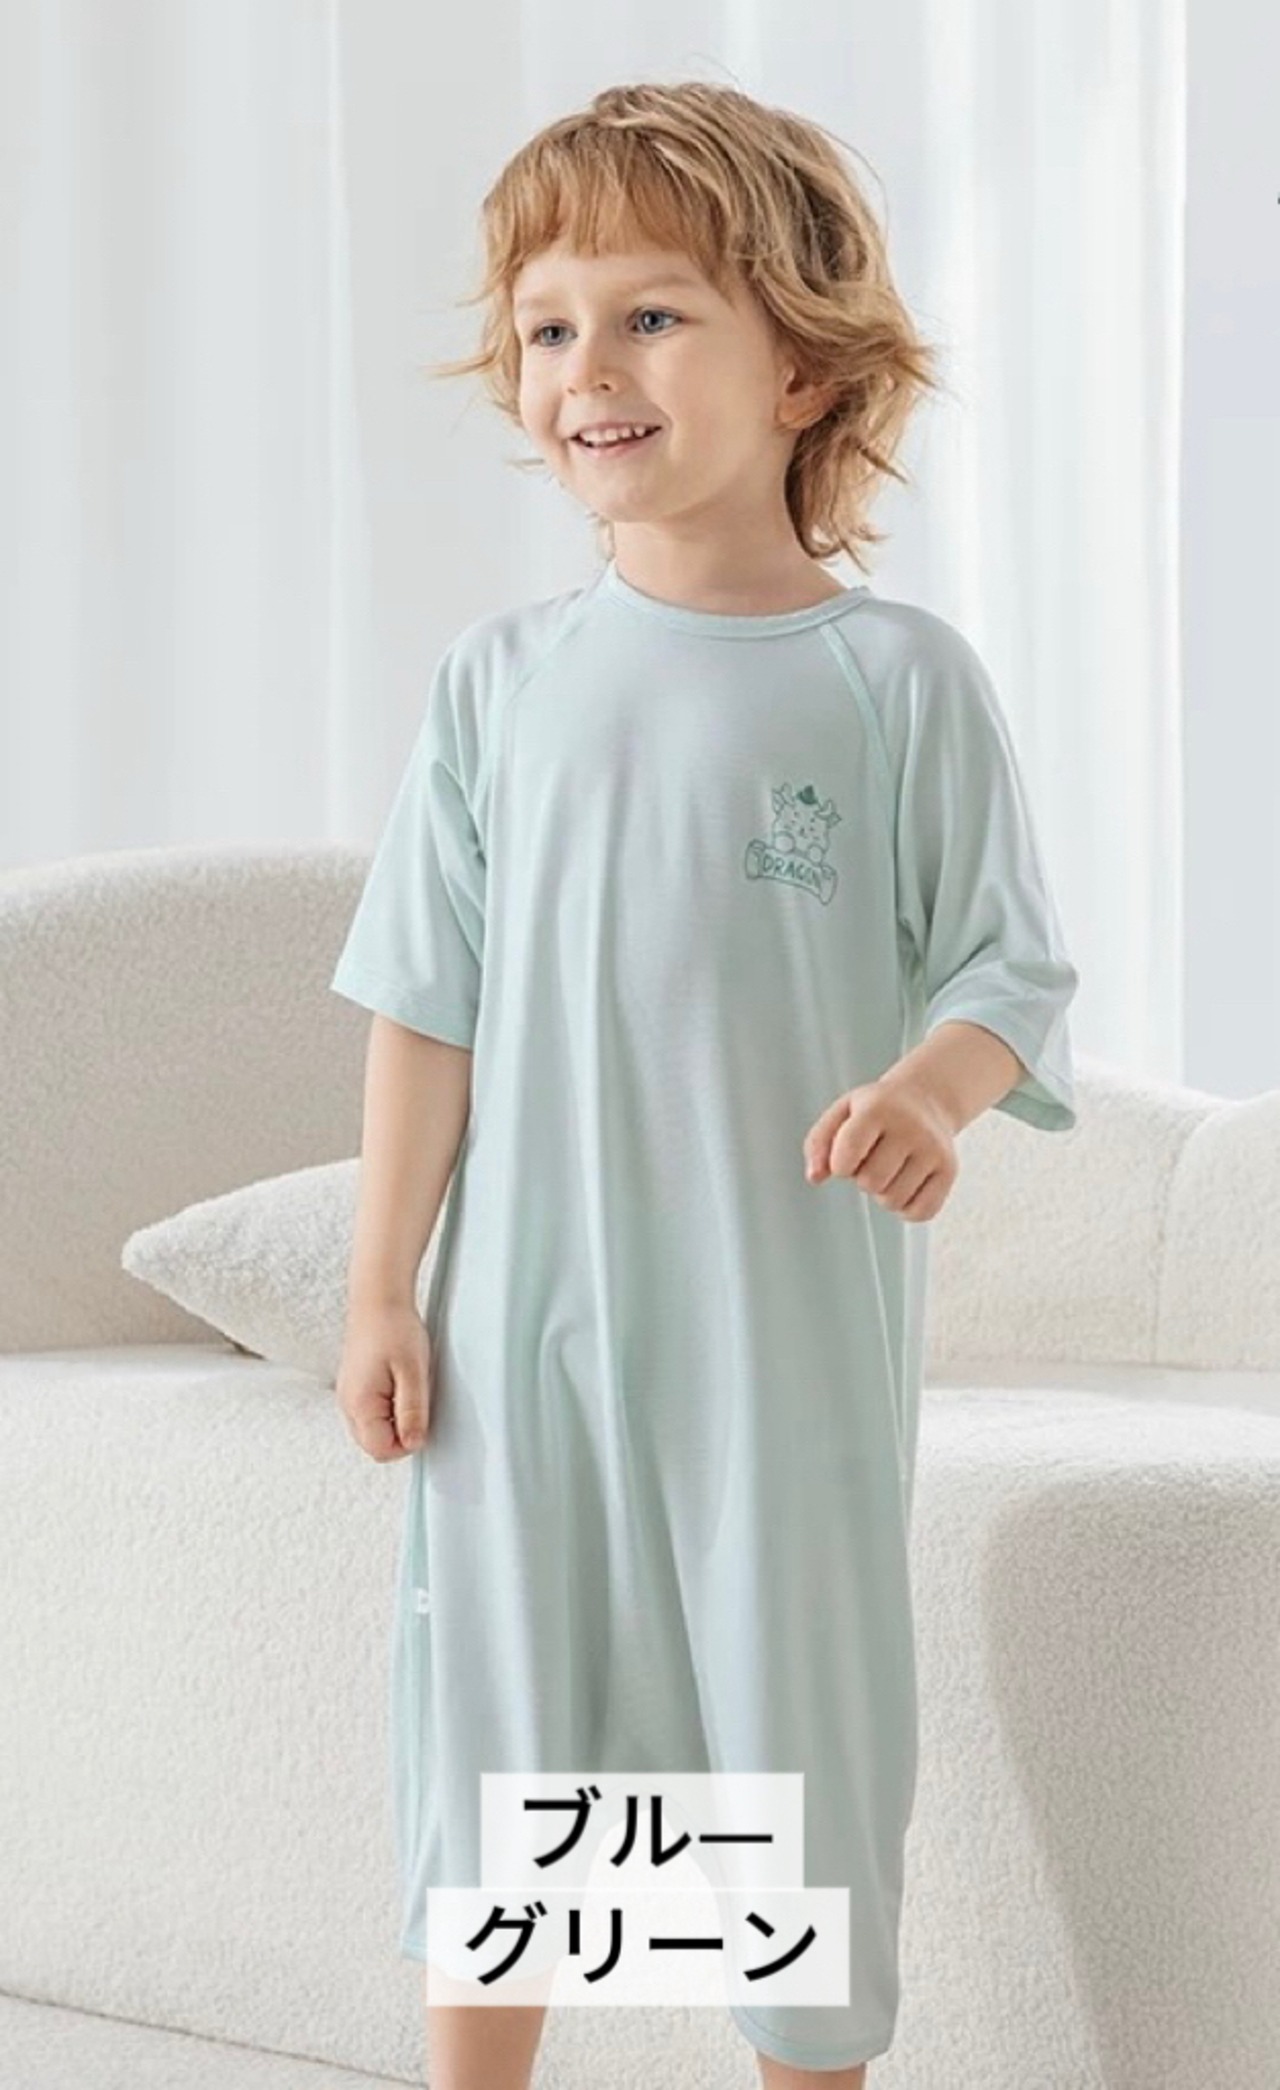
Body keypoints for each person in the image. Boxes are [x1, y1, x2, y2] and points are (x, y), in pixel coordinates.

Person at [331, 78, 1080, 2090]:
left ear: (804, 366)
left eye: (651, 315)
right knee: (509, 1705)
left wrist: (929, 1092)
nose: (589, 366)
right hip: (526, 1327)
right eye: (550, 326)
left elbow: (1007, 965)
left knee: (791, 1707)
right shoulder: (498, 685)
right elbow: (425, 1005)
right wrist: (383, 1285)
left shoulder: (895, 681)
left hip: (782, 1335)